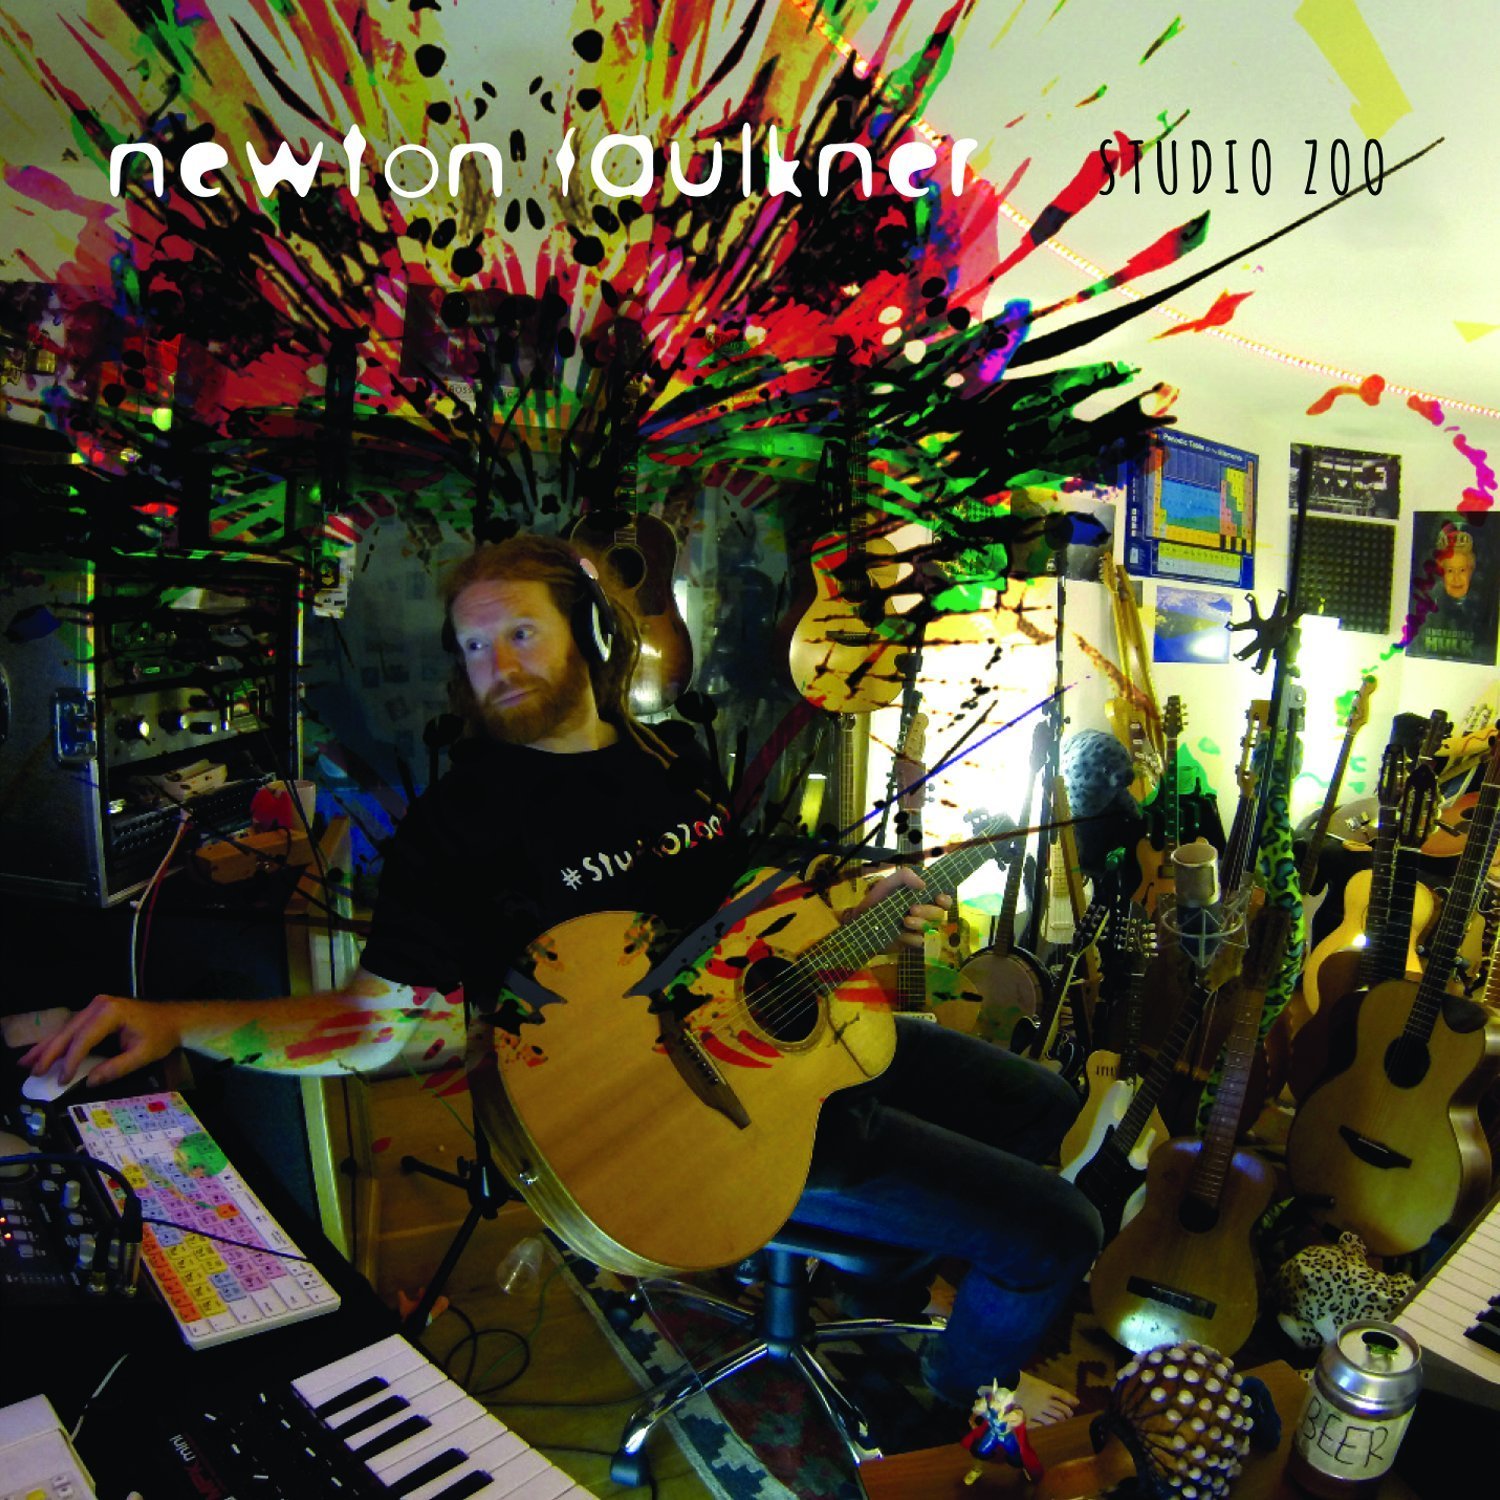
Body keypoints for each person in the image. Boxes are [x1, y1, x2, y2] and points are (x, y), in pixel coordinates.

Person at [22, 532, 1099, 1431]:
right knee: (1060, 1231)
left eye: (520, 632)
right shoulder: (460, 826)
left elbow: (735, 909)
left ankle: (883, 1274)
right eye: (473, 644)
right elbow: (386, 1026)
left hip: (787, 1052)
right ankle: (952, 1403)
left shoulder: (668, 759)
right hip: (695, 1122)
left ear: (589, 634)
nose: (494, 662)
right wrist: (179, 1022)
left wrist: (860, 904)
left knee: (1045, 1103)